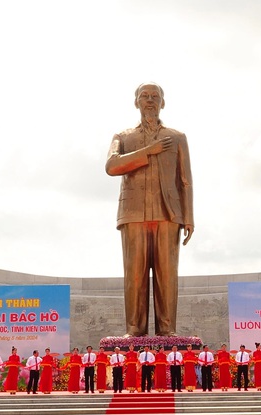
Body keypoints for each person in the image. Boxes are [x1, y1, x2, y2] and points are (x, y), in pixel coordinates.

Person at [105, 82, 194, 337]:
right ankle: (134, 329)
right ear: (136, 102)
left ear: (163, 102)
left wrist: (189, 217)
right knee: (135, 274)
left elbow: (185, 180)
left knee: (167, 275)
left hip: (169, 214)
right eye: (144, 96)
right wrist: (148, 151)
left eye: (156, 96)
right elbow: (111, 166)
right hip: (133, 214)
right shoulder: (123, 137)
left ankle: (168, 330)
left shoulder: (177, 138)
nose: (150, 100)